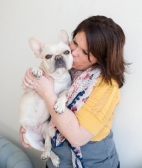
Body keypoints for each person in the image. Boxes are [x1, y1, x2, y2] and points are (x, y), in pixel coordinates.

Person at [20, 15, 128, 168]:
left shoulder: (106, 87)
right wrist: (30, 128)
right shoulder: (68, 69)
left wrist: (47, 92)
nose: (74, 52)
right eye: (75, 43)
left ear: (101, 58)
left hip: (91, 163)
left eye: (85, 52)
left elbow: (77, 137)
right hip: (56, 160)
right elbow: (41, 108)